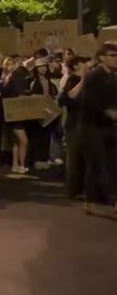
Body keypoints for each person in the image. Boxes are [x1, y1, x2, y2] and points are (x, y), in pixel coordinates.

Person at [79, 43, 117, 218]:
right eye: (112, 55)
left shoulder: (113, 77)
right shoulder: (94, 76)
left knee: (111, 162)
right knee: (97, 162)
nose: (116, 59)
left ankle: (104, 199)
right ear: (102, 57)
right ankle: (92, 201)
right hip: (92, 127)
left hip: (109, 127)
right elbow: (90, 101)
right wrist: (108, 111)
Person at [58, 56, 89, 198]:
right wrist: (83, 80)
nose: (86, 65)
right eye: (83, 63)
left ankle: (84, 189)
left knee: (84, 158)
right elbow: (70, 96)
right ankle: (74, 190)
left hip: (86, 123)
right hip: (74, 124)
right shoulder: (72, 80)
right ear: (76, 66)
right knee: (74, 159)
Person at [0, 56, 30, 174]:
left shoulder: (16, 77)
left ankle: (15, 164)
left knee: (16, 141)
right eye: (8, 64)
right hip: (13, 112)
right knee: (24, 140)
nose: (11, 66)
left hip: (17, 111)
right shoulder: (6, 80)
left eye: (12, 63)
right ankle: (21, 164)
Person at [26, 58, 58, 169]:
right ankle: (36, 159)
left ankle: (44, 158)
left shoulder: (49, 81)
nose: (43, 69)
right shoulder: (31, 80)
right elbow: (28, 94)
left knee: (46, 135)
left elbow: (53, 94)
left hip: (47, 111)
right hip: (36, 111)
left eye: (44, 66)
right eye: (40, 67)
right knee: (36, 135)